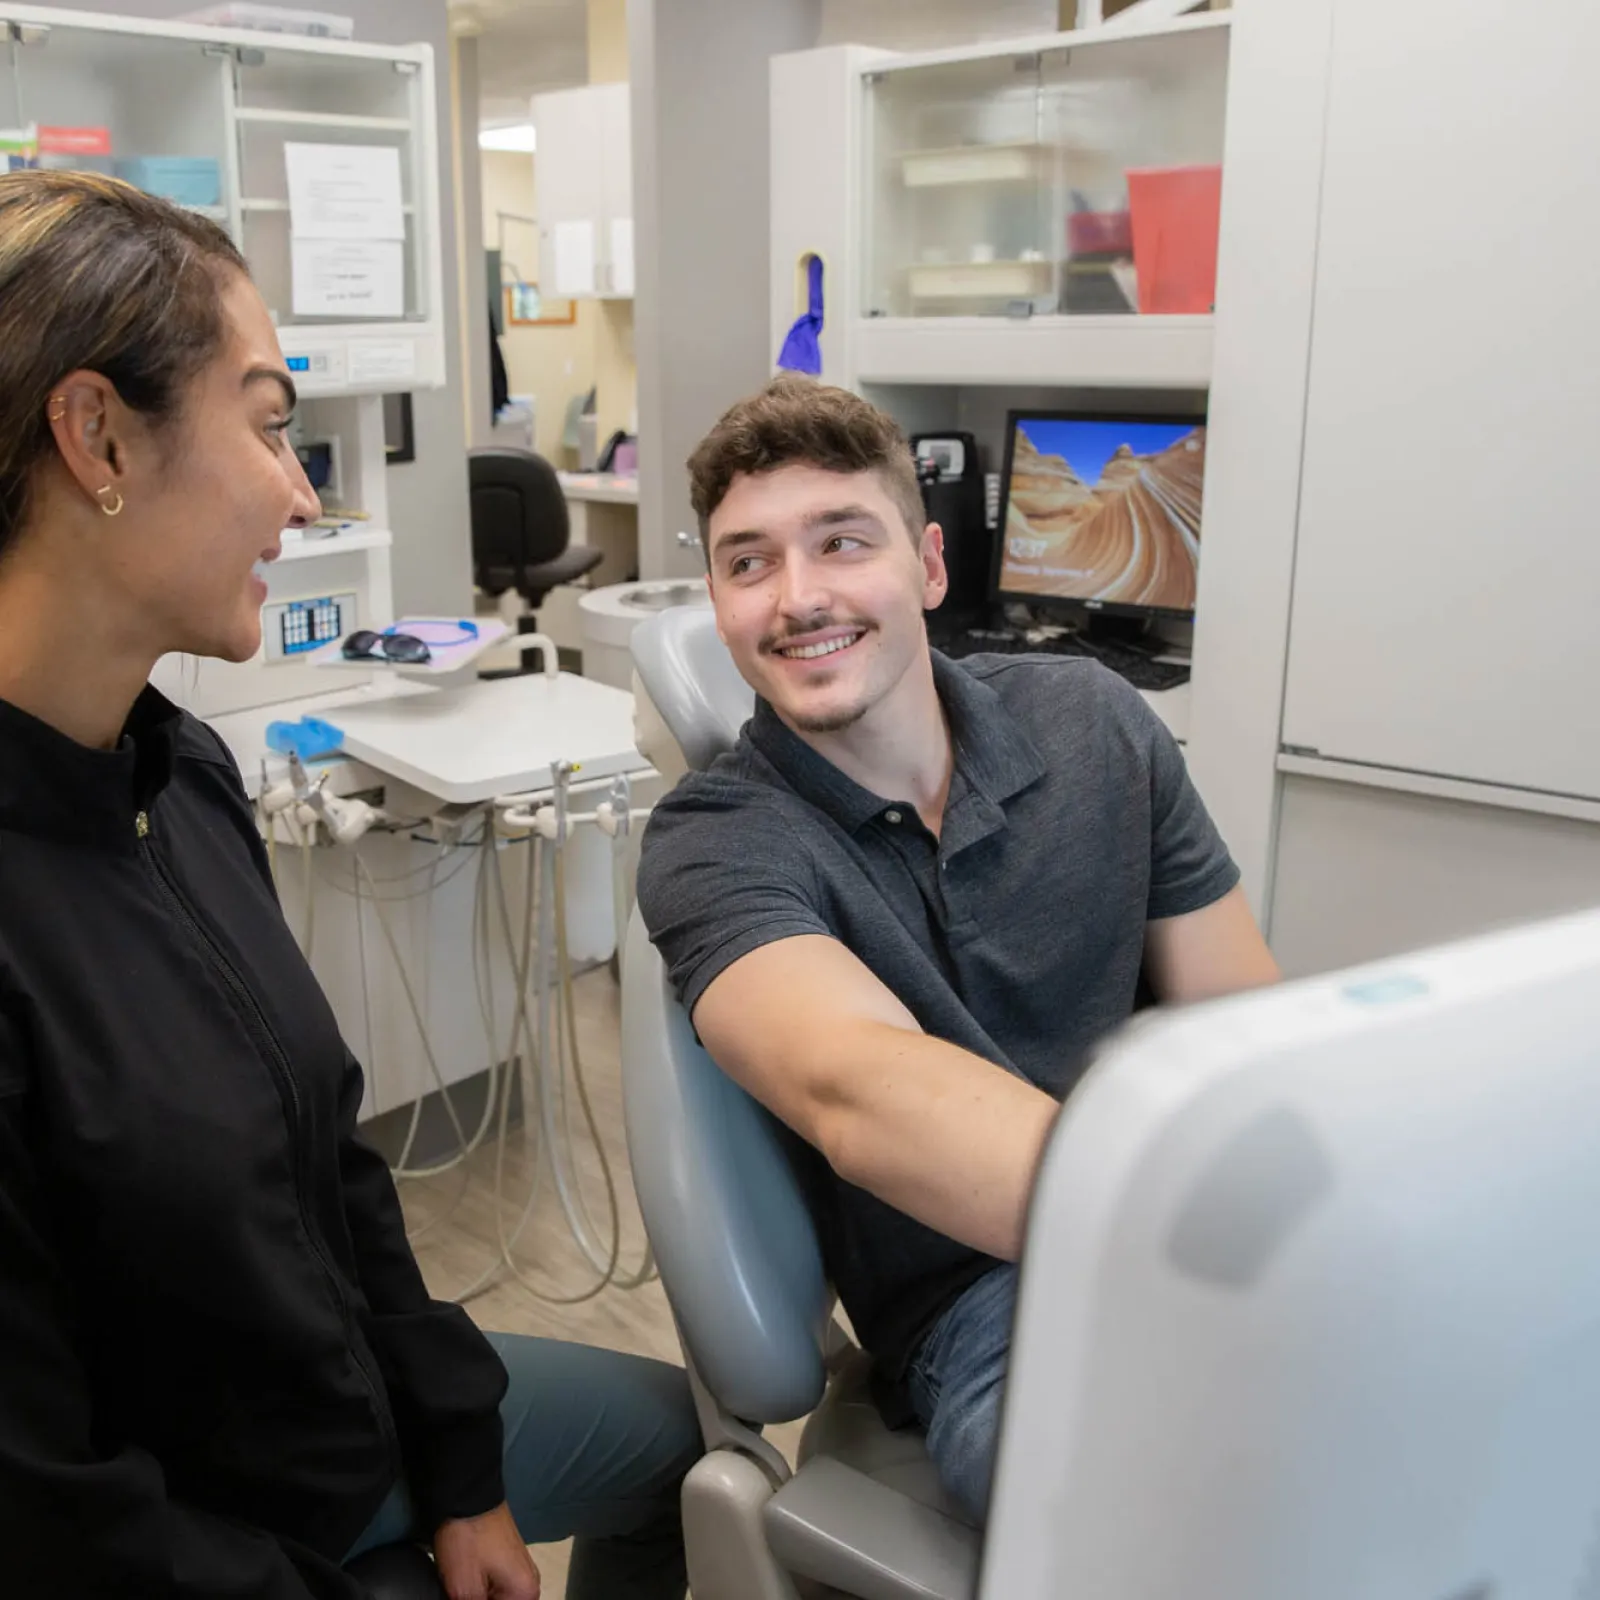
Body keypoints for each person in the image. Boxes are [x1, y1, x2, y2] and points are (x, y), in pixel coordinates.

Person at [0, 171, 700, 1600]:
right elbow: (42, 1514)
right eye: (269, 429)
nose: (302, 491)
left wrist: (458, 1461)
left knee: (687, 1448)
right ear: (96, 438)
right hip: (194, 1534)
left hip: (334, 1421)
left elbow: (330, 1160)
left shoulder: (178, 775)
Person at [637, 376, 1280, 1523]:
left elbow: (1248, 1028)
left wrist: (1331, 1214)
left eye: (841, 540)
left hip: (1200, 1233)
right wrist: (1213, 1223)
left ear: (929, 567)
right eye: (748, 562)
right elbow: (863, 1088)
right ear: (719, 600)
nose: (797, 596)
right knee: (1217, 1509)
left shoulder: (1093, 722)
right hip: (989, 1316)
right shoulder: (715, 843)